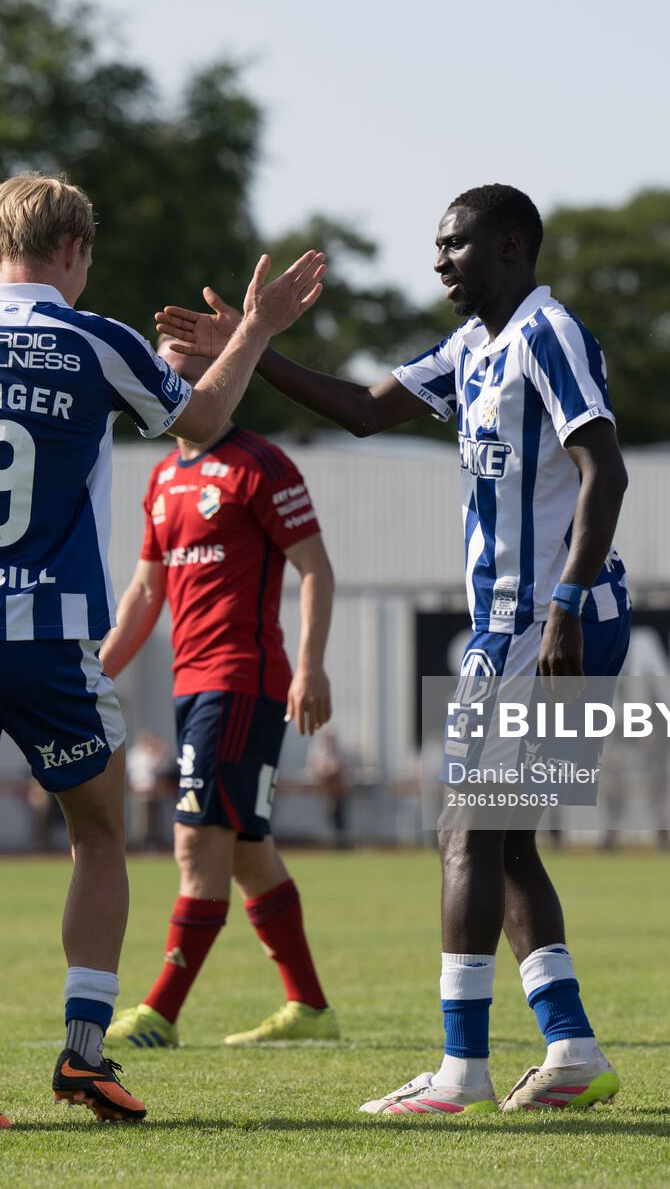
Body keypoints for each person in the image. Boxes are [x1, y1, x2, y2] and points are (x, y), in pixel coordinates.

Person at [0, 173, 325, 1130]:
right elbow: (203, 421)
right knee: (96, 835)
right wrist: (256, 328)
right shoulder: (95, 341)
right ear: (75, 250)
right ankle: (84, 1055)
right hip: (43, 637)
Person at [159, 183, 629, 1117]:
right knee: (503, 839)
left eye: (455, 245)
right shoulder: (471, 347)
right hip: (524, 621)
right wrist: (250, 346)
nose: (439, 261)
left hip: (540, 618)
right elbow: (364, 409)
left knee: (465, 832)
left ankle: (461, 1072)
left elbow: (604, 470)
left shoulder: (547, 334)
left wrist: (567, 602)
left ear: (510, 247)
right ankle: (570, 1048)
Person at [101, 342, 340, 1051]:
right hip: (194, 686)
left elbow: (315, 568)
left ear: (219, 380)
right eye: (159, 371)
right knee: (245, 850)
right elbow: (145, 594)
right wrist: (95, 673)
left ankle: (160, 1013)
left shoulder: (259, 464)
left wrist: (310, 667)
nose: (166, 384)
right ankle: (310, 1008)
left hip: (239, 681)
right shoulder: (162, 477)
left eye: (183, 372)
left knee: (195, 841)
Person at [124, 729, 172, 849]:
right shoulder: (135, 754)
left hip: (154, 791)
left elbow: (162, 768)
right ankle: (141, 843)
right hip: (140, 790)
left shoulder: (154, 752)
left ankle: (155, 842)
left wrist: (159, 751)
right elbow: (133, 773)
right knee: (141, 819)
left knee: (155, 819)